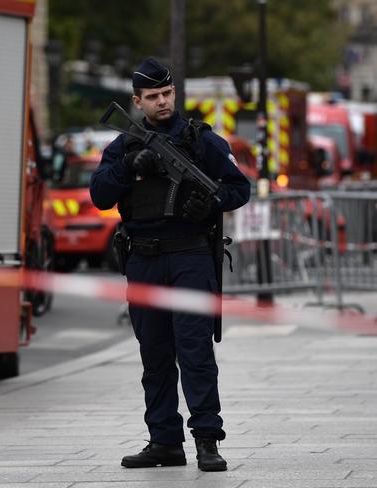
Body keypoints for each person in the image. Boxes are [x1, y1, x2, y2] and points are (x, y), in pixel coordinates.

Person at [90, 58, 250, 472]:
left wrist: (212, 202)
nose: (162, 102)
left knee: (195, 352)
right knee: (155, 356)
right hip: (143, 257)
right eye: (153, 97)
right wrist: (129, 167)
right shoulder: (123, 145)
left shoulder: (200, 141)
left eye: (167, 93)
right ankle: (164, 441)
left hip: (190, 256)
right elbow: (100, 196)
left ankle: (207, 441)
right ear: (137, 101)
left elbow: (239, 188)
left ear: (174, 93)